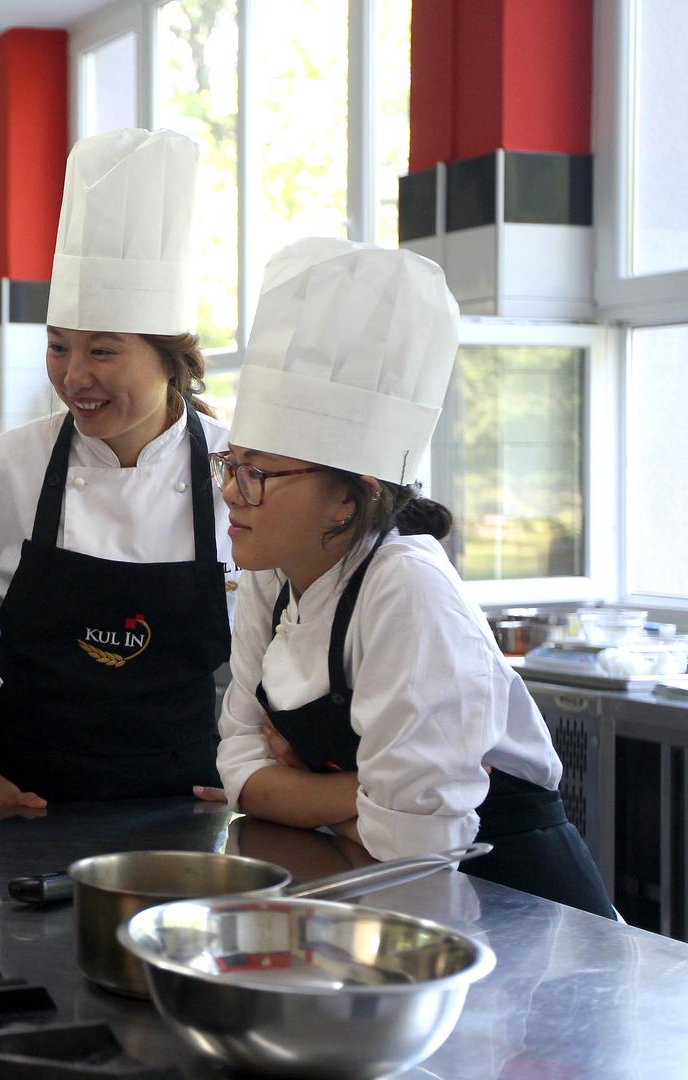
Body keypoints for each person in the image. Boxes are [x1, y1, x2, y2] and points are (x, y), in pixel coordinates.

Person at [201, 237, 614, 918]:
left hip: (521, 911)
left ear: (349, 497)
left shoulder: (406, 588)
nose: (232, 494)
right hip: (393, 904)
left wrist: (306, 789)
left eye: (259, 473)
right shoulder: (269, 577)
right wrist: (355, 796)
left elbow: (413, 846)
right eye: (230, 466)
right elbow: (238, 765)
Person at [0, 129, 238, 808]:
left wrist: (250, 774)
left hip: (188, 803)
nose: (74, 376)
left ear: (168, 357)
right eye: (58, 348)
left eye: (104, 352)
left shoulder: (236, 473)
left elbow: (266, 660)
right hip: (26, 800)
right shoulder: (7, 468)